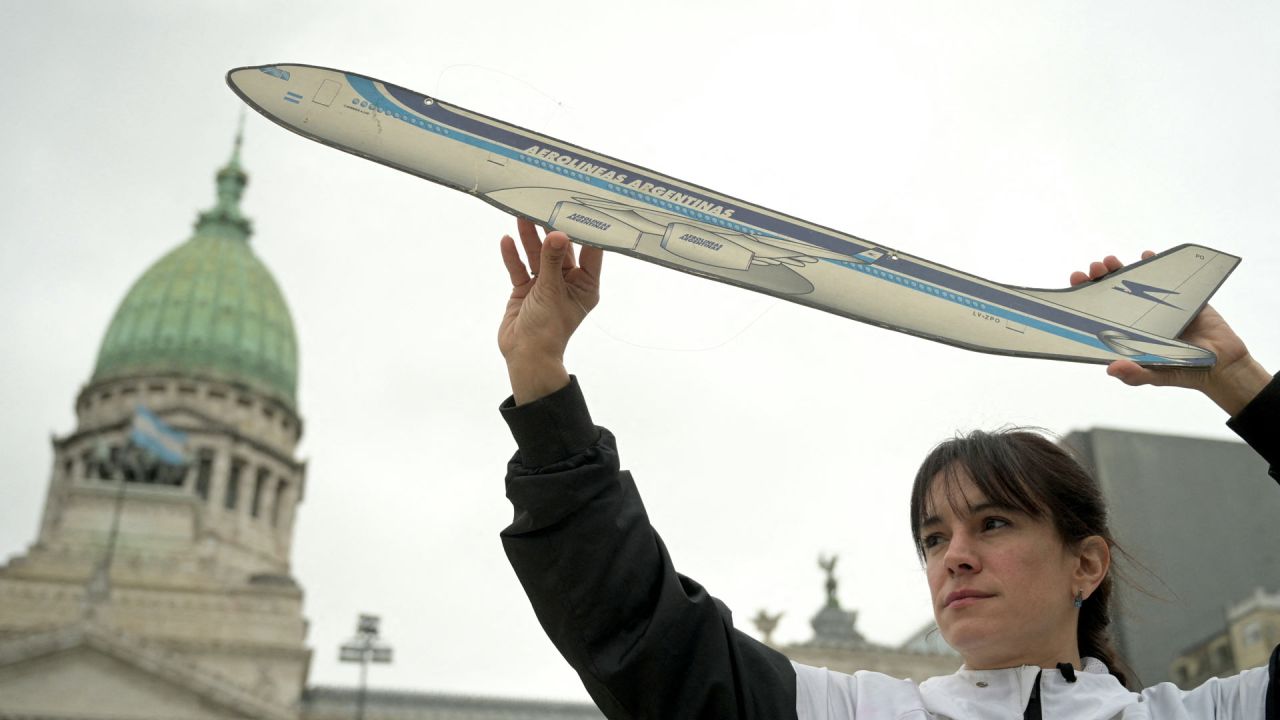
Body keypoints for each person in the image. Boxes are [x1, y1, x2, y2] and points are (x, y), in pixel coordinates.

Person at [496, 218, 1279, 719]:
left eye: (993, 522)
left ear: (1087, 564)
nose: (954, 556)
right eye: (933, 538)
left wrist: (1236, 380)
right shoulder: (848, 711)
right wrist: (540, 378)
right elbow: (639, 636)